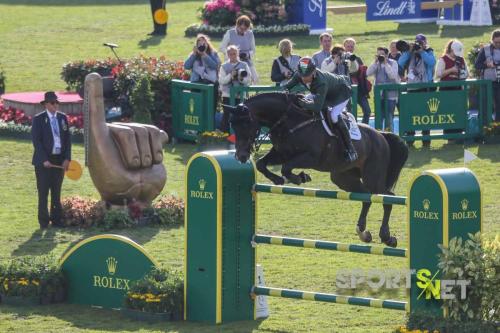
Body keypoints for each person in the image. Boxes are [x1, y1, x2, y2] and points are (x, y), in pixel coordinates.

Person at [284, 57, 357, 162]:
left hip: (341, 93)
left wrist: (301, 102)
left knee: (334, 115)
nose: (304, 78)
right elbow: (286, 87)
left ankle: (350, 149)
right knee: (306, 99)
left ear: (314, 71)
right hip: (325, 92)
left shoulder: (321, 82)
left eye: (307, 75)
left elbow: (317, 107)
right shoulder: (299, 74)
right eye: (302, 75)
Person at [31, 92, 72, 229]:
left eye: (57, 102)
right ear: (46, 104)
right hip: (44, 162)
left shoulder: (62, 118)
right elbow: (37, 142)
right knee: (43, 192)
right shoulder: (38, 119)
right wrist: (44, 160)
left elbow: (68, 140)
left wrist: (67, 158)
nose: (56, 105)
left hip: (59, 160)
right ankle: (43, 221)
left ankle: (57, 220)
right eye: (53, 103)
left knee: (56, 192)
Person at [398, 34, 436, 147]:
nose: (419, 44)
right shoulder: (410, 52)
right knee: (411, 113)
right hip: (412, 87)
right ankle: (410, 139)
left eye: (421, 42)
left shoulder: (428, 51)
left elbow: (432, 62)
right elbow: (400, 63)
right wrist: (409, 52)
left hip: (425, 87)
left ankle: (426, 140)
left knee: (426, 114)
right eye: (417, 42)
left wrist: (422, 52)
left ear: (425, 43)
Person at [219, 45, 252, 132]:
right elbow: (222, 81)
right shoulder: (224, 66)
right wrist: (231, 75)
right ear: (228, 55)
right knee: (227, 115)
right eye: (230, 54)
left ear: (237, 54)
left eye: (234, 54)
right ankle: (225, 135)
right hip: (228, 94)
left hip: (240, 95)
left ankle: (241, 135)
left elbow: (248, 80)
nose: (233, 56)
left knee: (241, 115)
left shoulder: (244, 65)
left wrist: (240, 78)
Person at [367, 47, 400, 132]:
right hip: (379, 96)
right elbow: (368, 73)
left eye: (382, 54)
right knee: (379, 117)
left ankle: (391, 137)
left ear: (386, 54)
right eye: (378, 54)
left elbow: (392, 76)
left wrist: (385, 64)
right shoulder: (376, 63)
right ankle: (379, 139)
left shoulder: (393, 63)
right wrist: (375, 62)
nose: (380, 56)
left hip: (390, 96)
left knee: (389, 118)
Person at [184, 34, 220, 109]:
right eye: (199, 44)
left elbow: (215, 66)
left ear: (207, 44)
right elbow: (186, 66)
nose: (201, 45)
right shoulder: (194, 54)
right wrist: (193, 55)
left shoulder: (213, 54)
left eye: (203, 43)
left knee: (210, 106)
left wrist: (205, 55)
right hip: (196, 83)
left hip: (211, 83)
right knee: (197, 107)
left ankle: (210, 120)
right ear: (196, 46)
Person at [219, 15, 258, 84]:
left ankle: (251, 93)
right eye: (241, 28)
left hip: (246, 60)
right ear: (237, 25)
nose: (242, 30)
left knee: (255, 78)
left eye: (245, 29)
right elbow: (222, 47)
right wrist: (231, 53)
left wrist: (247, 54)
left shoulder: (250, 34)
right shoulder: (230, 33)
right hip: (232, 60)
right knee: (231, 79)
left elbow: (253, 50)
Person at [344, 38, 372, 125]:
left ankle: (364, 130)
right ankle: (351, 131)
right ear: (344, 46)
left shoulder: (358, 58)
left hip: (359, 89)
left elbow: (363, 73)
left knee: (367, 111)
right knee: (350, 113)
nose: (350, 48)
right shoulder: (342, 58)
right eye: (348, 46)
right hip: (346, 90)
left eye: (352, 46)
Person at [475, 28, 500, 122]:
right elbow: (477, 65)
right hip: (487, 83)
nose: (498, 44)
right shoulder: (485, 50)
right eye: (496, 42)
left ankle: (498, 130)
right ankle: (484, 129)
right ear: (492, 40)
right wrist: (486, 65)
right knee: (485, 106)